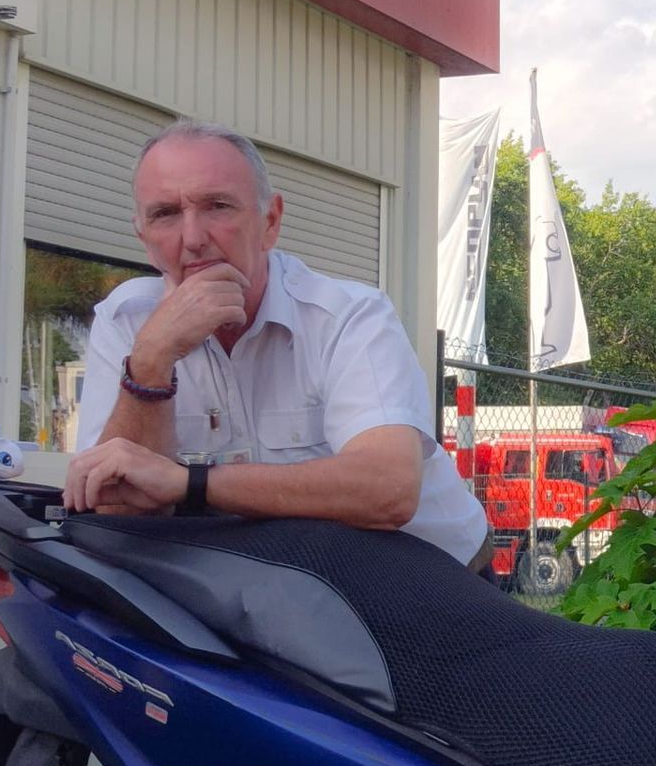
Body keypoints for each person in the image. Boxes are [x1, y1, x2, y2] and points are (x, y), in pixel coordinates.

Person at [64, 121, 490, 569]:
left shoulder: (348, 316)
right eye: (165, 214)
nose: (192, 239)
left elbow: (388, 489)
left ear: (270, 222)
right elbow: (115, 504)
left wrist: (190, 483)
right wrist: (151, 363)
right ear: (144, 238)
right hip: (280, 583)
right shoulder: (127, 322)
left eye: (217, 207)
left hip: (430, 573)